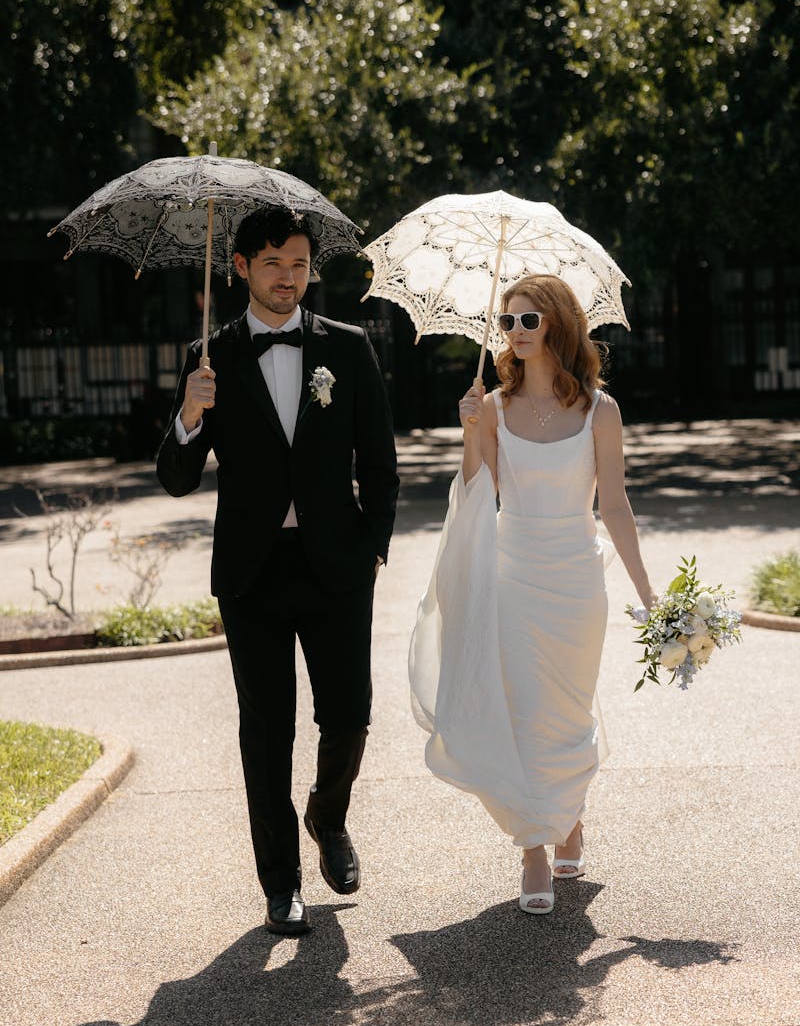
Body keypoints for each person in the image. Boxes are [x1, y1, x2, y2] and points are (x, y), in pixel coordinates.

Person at [157, 207, 399, 936]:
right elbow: (174, 479)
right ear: (240, 267)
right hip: (252, 573)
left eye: (298, 264)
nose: (287, 277)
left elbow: (379, 463)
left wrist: (373, 550)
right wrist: (190, 418)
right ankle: (282, 885)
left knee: (349, 715)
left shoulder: (349, 350)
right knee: (267, 732)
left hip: (337, 567)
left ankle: (328, 814)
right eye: (272, 264)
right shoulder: (211, 359)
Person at [409, 273, 656, 914]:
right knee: (521, 710)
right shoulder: (491, 407)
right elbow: (476, 492)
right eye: (507, 322)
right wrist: (468, 432)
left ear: (556, 324)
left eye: (528, 321)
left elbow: (617, 506)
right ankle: (533, 849)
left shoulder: (600, 410)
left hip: (577, 578)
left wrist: (649, 593)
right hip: (512, 575)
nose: (515, 333)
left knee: (567, 711)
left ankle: (568, 814)